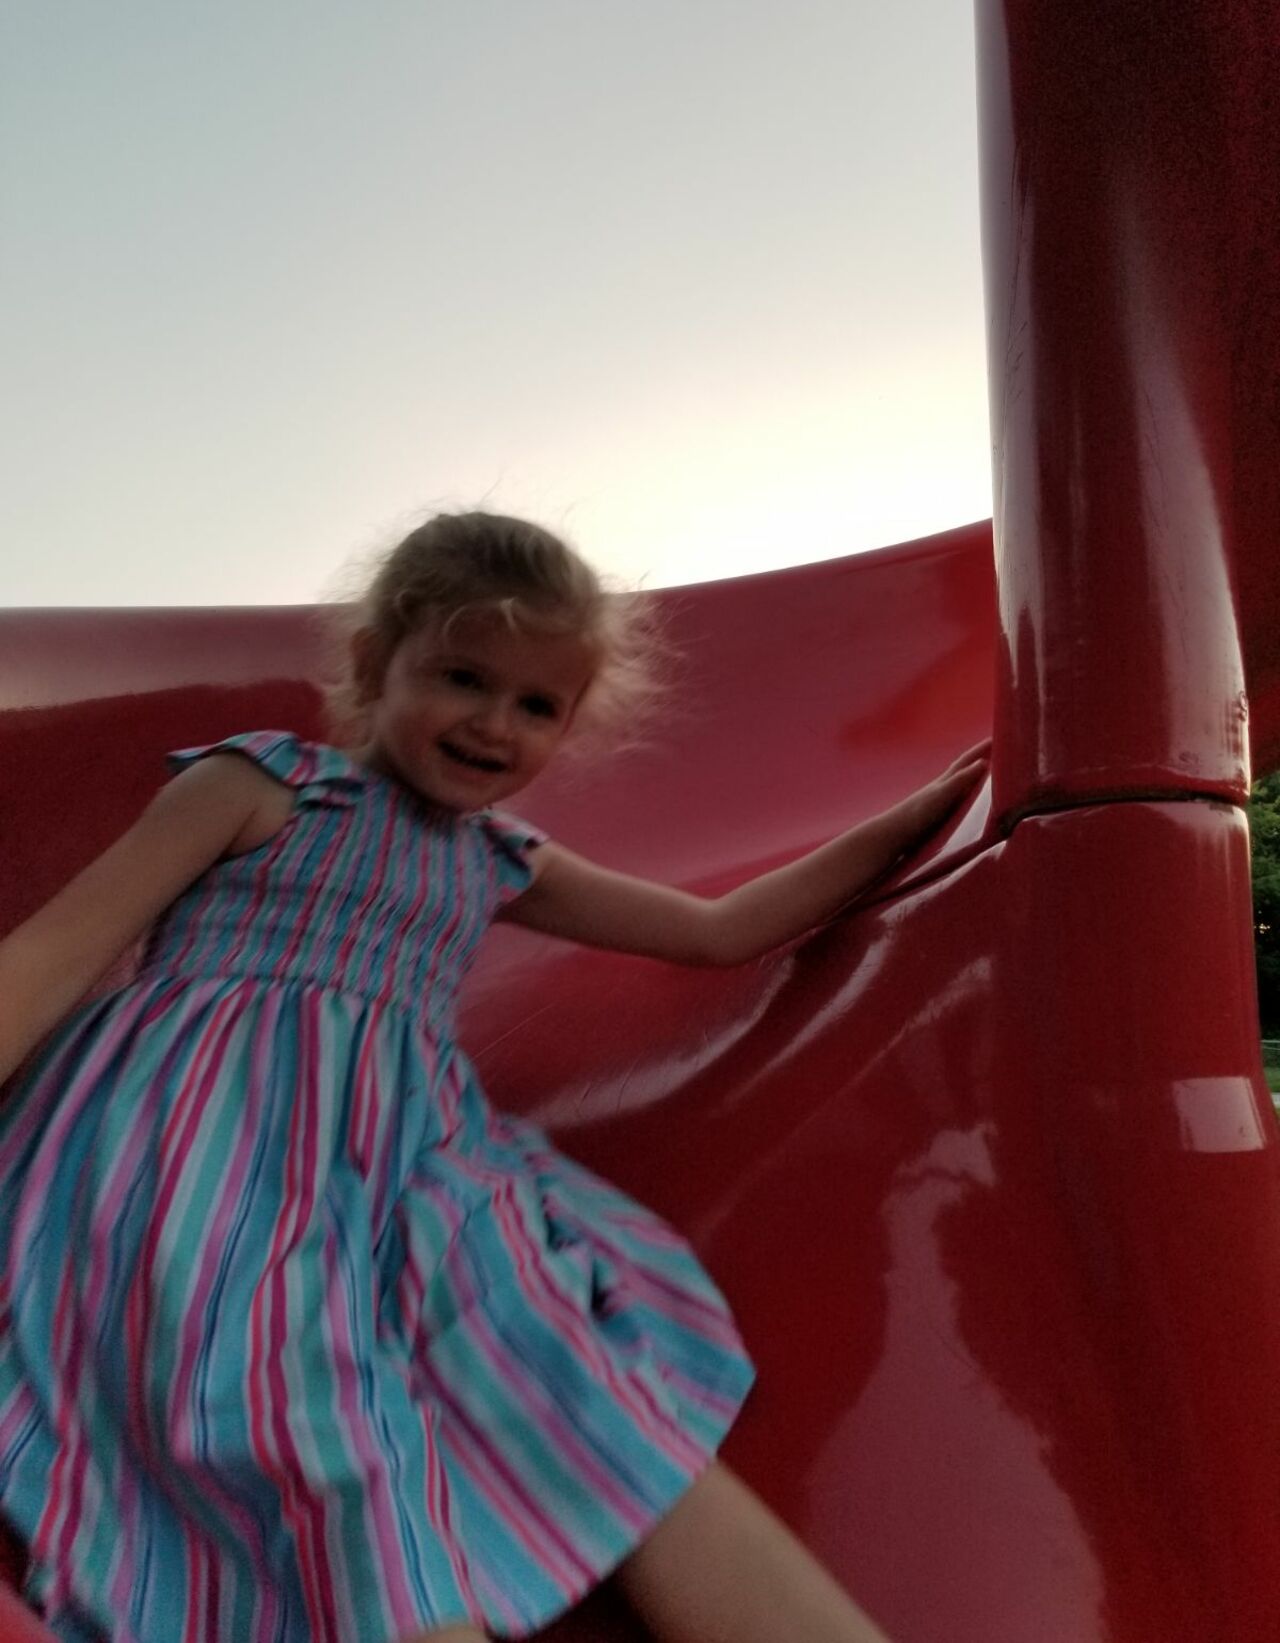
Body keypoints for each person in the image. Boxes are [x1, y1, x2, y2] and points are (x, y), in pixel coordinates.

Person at [0, 511, 985, 1643]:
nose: (493, 723)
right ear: (377, 661)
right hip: (198, 1158)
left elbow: (716, 931)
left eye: (535, 705)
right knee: (310, 1414)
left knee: (572, 1373)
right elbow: (53, 954)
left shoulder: (495, 859)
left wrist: (921, 810)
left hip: (385, 1181)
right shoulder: (261, 789)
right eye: (463, 677)